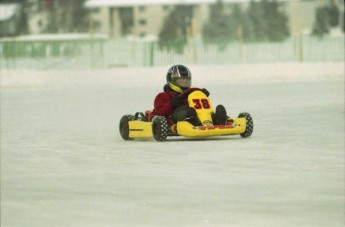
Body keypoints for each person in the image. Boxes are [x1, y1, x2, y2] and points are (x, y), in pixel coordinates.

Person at [152, 65, 229, 131]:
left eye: (186, 81)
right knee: (190, 111)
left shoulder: (190, 93)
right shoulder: (163, 96)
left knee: (220, 108)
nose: (184, 83)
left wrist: (202, 94)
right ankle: (193, 123)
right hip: (176, 118)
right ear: (172, 81)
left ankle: (217, 122)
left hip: (197, 114)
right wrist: (171, 103)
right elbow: (160, 113)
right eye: (181, 81)